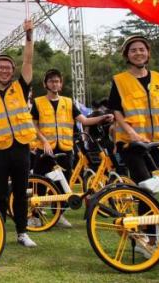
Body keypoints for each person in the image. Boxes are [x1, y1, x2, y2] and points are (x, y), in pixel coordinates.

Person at [108, 34, 159, 266]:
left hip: (156, 143)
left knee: (150, 191)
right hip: (131, 144)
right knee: (146, 188)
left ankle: (146, 237)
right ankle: (151, 243)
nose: (138, 53)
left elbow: (157, 110)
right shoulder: (120, 80)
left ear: (148, 52)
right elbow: (117, 111)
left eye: (142, 49)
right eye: (133, 50)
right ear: (127, 56)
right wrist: (131, 134)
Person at [0, 19, 38, 249]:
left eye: (8, 67)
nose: (4, 70)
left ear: (13, 71)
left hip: (21, 148)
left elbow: (29, 60)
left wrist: (29, 37)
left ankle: (22, 232)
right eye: (0, 67)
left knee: (21, 193)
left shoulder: (20, 88)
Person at [31, 68, 114, 228]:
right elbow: (33, 125)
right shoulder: (38, 102)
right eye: (51, 81)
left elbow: (84, 120)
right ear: (45, 84)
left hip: (65, 149)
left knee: (64, 184)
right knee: (40, 183)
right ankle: (36, 215)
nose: (54, 84)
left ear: (61, 84)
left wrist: (102, 118)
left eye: (57, 81)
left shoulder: (68, 102)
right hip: (45, 149)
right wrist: (44, 141)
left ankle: (59, 215)